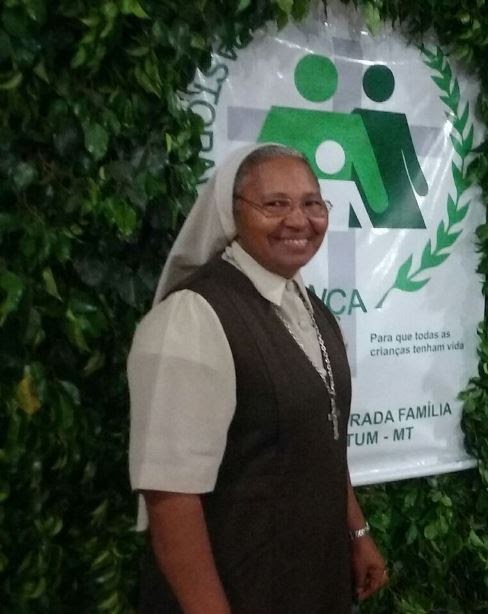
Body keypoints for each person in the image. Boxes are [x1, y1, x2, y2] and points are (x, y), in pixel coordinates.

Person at [128, 143, 386, 613]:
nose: (298, 220)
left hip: (311, 580)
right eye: (275, 204)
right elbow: (170, 499)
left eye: (312, 203)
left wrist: (357, 531)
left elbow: (322, 437)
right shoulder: (192, 318)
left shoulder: (311, 309)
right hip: (238, 587)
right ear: (232, 213)